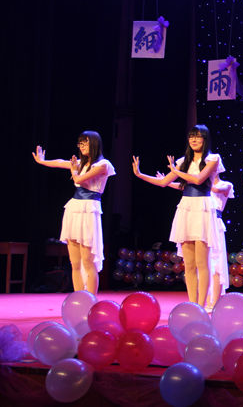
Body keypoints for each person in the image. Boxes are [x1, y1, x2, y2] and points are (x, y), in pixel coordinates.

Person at [132, 124, 224, 307]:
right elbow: (164, 182)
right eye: (191, 136)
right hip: (186, 207)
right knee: (189, 264)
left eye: (198, 136)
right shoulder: (183, 161)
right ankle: (192, 304)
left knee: (202, 262)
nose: (194, 140)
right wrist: (140, 174)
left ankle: (201, 305)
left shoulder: (213, 158)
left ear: (205, 139)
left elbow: (198, 179)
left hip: (203, 207)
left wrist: (176, 171)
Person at [32, 131, 115, 294]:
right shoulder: (80, 164)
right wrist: (42, 161)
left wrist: (74, 170)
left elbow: (78, 180)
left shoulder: (103, 164)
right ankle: (79, 297)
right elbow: (60, 162)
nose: (82, 146)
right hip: (74, 209)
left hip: (89, 210)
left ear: (94, 144)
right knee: (75, 263)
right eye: (80, 143)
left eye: (85, 143)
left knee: (88, 261)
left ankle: (90, 299)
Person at [158, 171, 232, 311]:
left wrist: (200, 182)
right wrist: (167, 181)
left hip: (215, 224)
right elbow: (183, 186)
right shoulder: (199, 183)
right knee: (200, 262)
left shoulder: (226, 184)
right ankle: (202, 301)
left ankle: (214, 303)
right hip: (201, 222)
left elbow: (216, 189)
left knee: (216, 264)